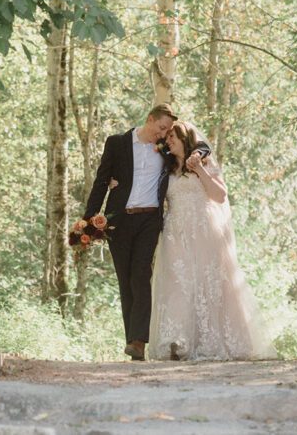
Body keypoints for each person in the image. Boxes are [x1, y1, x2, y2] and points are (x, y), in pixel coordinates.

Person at [84, 104, 208, 361]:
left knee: (141, 275)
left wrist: (199, 154)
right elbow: (101, 181)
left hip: (149, 220)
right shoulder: (116, 143)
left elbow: (199, 145)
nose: (164, 134)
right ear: (150, 120)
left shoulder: (163, 150)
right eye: (162, 128)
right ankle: (131, 339)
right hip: (118, 220)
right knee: (125, 280)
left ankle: (139, 342)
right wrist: (87, 221)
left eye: (167, 131)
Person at [147, 120, 276, 361]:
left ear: (185, 139)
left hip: (204, 231)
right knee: (178, 284)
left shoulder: (203, 162)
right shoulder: (165, 169)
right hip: (175, 233)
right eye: (168, 137)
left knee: (209, 283)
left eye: (173, 137)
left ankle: (208, 340)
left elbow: (219, 195)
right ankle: (176, 340)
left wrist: (199, 169)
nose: (169, 141)